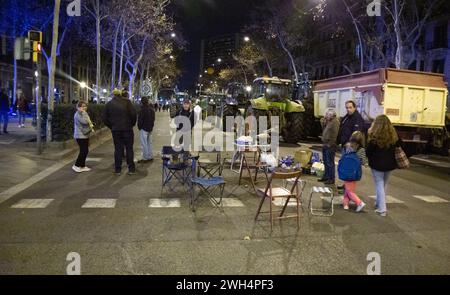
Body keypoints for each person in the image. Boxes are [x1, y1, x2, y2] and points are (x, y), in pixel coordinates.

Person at [366, 115, 402, 217]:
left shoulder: (374, 136)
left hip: (377, 164)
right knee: (383, 185)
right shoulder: (394, 136)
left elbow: (369, 151)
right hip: (390, 164)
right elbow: (401, 146)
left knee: (379, 184)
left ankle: (382, 209)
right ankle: (378, 203)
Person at [103, 89, 137, 175]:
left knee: (118, 149)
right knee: (129, 148)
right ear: (120, 94)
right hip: (128, 129)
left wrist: (112, 126)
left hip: (116, 130)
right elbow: (133, 114)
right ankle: (131, 169)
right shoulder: (127, 102)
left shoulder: (109, 104)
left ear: (113, 95)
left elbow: (104, 118)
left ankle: (118, 170)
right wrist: (131, 124)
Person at [341, 131, 368, 212]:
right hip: (355, 172)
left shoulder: (347, 146)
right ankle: (350, 203)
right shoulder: (361, 149)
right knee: (349, 189)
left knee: (348, 189)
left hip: (346, 170)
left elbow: (343, 157)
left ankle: (355, 203)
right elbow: (363, 161)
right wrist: (365, 163)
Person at [72, 101, 94, 173]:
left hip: (84, 135)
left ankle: (82, 166)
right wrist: (84, 113)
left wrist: (84, 113)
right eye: (82, 106)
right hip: (80, 135)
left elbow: (88, 121)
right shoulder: (77, 114)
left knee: (85, 150)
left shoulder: (83, 113)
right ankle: (76, 165)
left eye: (85, 106)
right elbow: (85, 122)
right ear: (78, 107)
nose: (84, 108)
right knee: (83, 151)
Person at [319, 109, 340, 185]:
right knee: (325, 161)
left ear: (332, 115)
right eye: (326, 114)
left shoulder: (335, 122)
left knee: (330, 162)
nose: (326, 116)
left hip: (330, 145)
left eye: (328, 115)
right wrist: (323, 122)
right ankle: (326, 176)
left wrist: (330, 144)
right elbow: (324, 130)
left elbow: (334, 134)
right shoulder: (328, 121)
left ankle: (331, 178)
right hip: (325, 144)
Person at [137, 97, 155, 163]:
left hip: (144, 129)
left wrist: (139, 127)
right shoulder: (151, 109)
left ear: (142, 102)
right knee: (149, 143)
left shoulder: (142, 110)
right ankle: (150, 156)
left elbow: (140, 120)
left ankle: (145, 158)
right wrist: (151, 126)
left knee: (144, 144)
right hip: (150, 129)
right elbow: (153, 119)